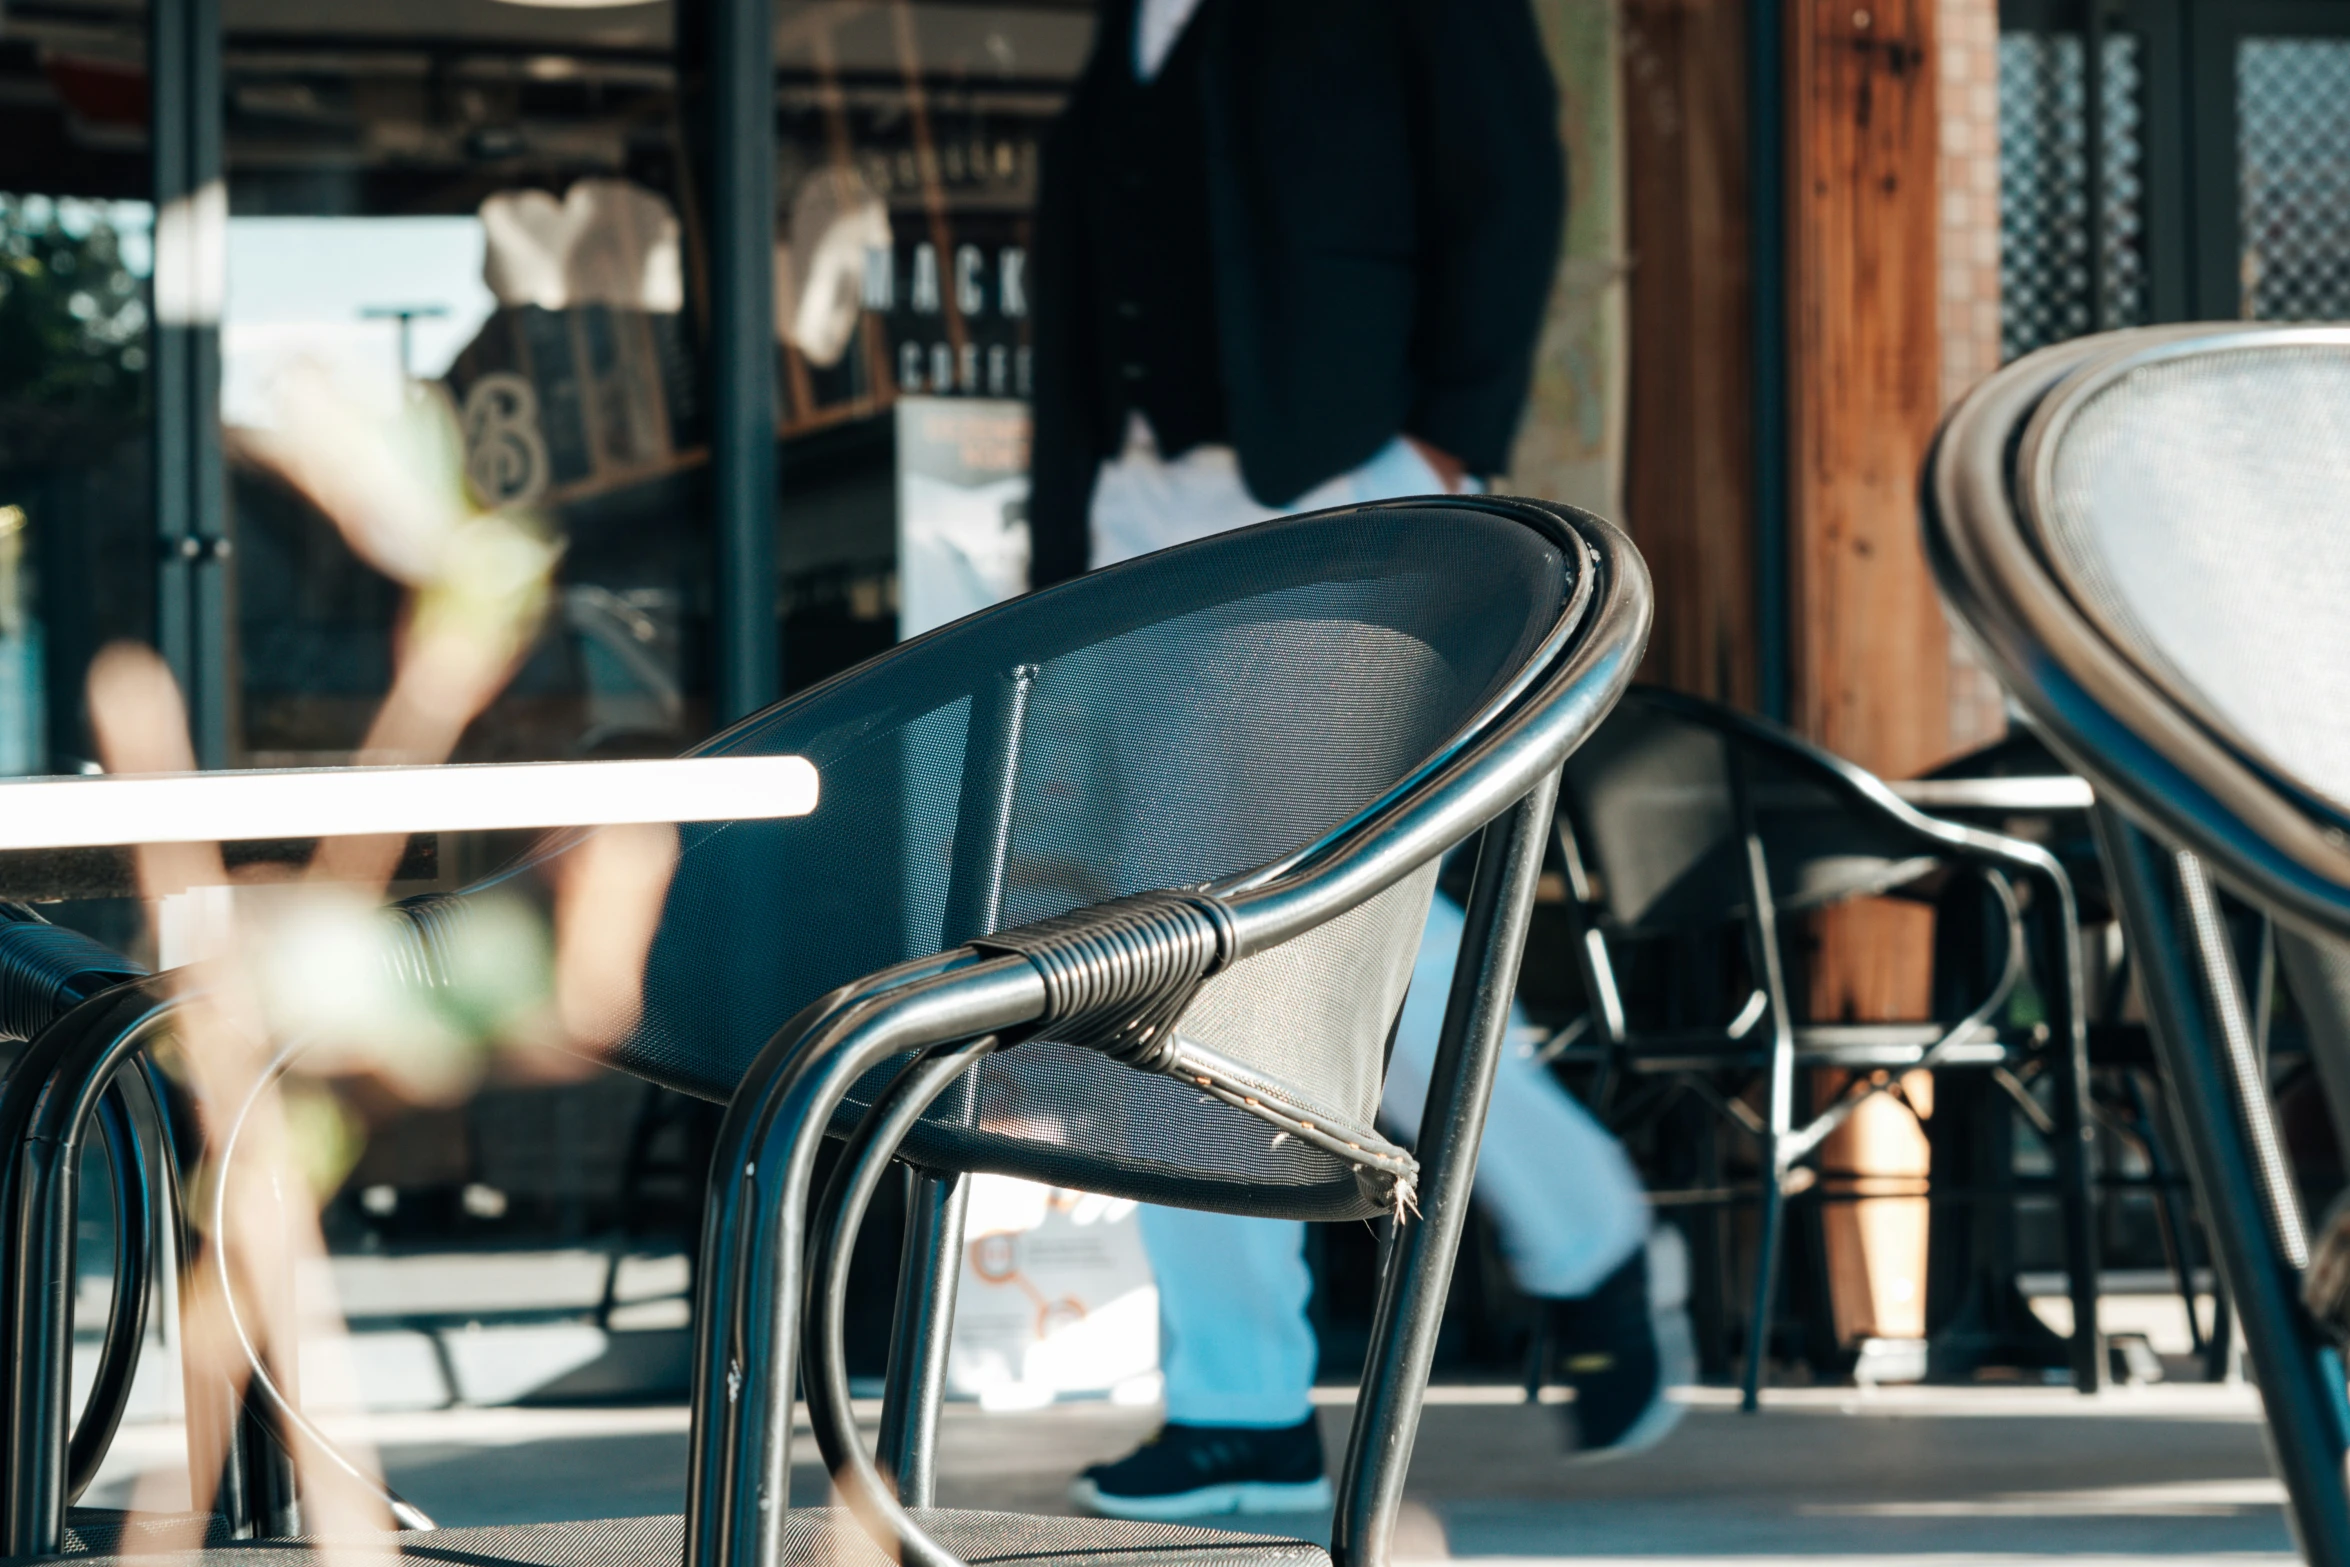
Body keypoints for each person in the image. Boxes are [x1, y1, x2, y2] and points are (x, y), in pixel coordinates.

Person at [1026, 0, 1693, 1522]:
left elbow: (1505, 177)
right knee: (1176, 938)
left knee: (1249, 922)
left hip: (1336, 483)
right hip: (1141, 500)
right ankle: (1274, 1385)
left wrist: (1445, 449)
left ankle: (1261, 1390)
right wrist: (1066, 532)